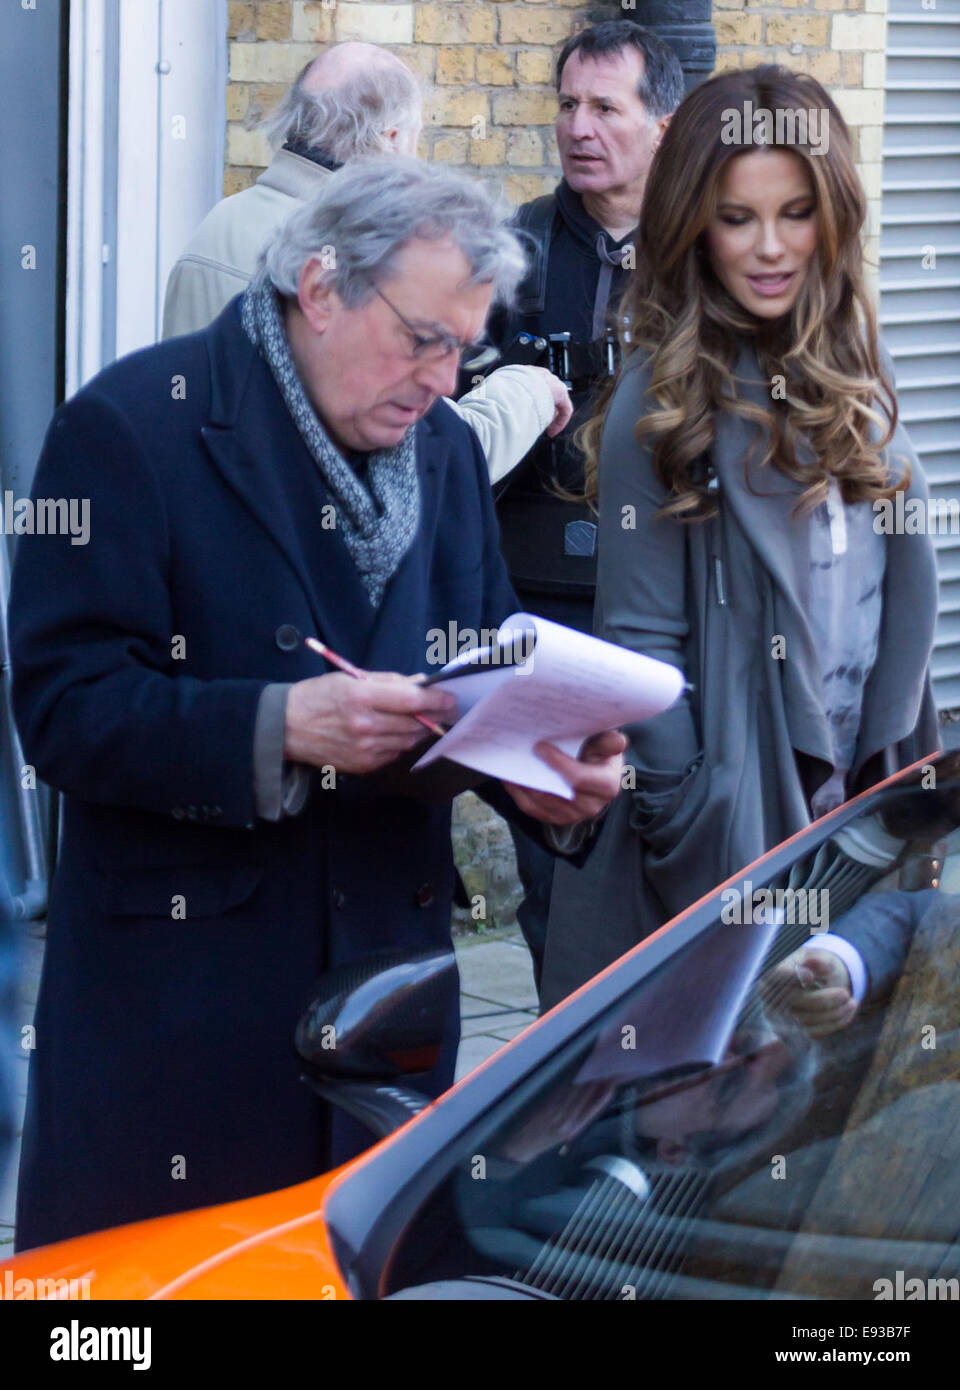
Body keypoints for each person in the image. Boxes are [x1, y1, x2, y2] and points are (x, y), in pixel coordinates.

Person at [8, 157, 625, 1250]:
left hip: (389, 1011)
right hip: (189, 1021)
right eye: (422, 338)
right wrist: (280, 727)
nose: (443, 379)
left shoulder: (439, 454)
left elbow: (471, 661)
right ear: (322, 284)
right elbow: (64, 707)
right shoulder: (130, 426)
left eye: (463, 350)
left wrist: (540, 776)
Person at [540, 66, 941, 1010]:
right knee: (717, 1123)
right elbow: (641, 641)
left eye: (795, 213)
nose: (769, 248)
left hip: (861, 807)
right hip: (728, 843)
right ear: (694, 223)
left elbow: (888, 591)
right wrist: (692, 821)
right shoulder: (665, 394)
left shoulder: (855, 364)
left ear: (833, 214)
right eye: (736, 218)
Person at [487, 19, 684, 987]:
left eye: (606, 106)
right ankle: (556, 1091)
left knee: (669, 847)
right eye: (567, 104)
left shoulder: (707, 256)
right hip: (541, 610)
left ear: (665, 121)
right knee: (552, 860)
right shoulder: (508, 252)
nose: (579, 126)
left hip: (670, 608)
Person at [163, 41, 572, 486]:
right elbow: (426, 458)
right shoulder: (356, 260)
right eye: (415, 138)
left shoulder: (219, 222)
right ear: (392, 139)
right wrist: (528, 392)